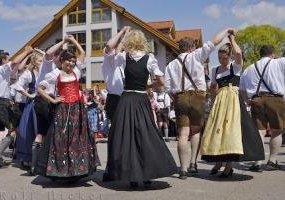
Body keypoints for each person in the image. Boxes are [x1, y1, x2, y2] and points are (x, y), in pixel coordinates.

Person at [106, 29, 177, 187]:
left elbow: (112, 49)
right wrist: (147, 84)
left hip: (126, 99)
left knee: (126, 137)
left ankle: (131, 175)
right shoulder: (149, 58)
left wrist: (123, 37)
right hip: (141, 98)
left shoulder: (124, 57)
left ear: (129, 42)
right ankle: (146, 174)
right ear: (142, 42)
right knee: (145, 134)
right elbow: (162, 82)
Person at [165, 28, 235, 179]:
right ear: (191, 48)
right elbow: (214, 42)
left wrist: (176, 98)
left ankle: (182, 170)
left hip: (180, 97)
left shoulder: (170, 65)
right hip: (197, 97)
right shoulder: (196, 56)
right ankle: (193, 164)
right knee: (196, 131)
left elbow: (168, 88)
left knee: (183, 133)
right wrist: (226, 31)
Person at [200, 34, 264, 177]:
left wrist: (232, 39)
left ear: (230, 57)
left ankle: (228, 166)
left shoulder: (235, 67)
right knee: (216, 132)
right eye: (220, 58)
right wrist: (212, 97)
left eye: (225, 58)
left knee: (230, 133)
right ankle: (218, 161)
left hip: (233, 102)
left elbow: (239, 53)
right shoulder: (215, 70)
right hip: (219, 102)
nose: (222, 60)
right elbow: (213, 88)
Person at [36, 49, 99, 181]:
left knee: (78, 139)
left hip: (78, 109)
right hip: (63, 110)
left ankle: (77, 170)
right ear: (62, 60)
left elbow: (83, 53)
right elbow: (40, 89)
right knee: (62, 139)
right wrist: (53, 100)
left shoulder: (76, 71)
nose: (71, 63)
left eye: (73, 61)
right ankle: (60, 171)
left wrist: (74, 42)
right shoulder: (54, 74)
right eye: (69, 60)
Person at [240, 45, 285, 172]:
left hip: (256, 100)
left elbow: (242, 89)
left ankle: (257, 161)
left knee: (259, 131)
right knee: (276, 131)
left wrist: (247, 100)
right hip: (275, 99)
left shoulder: (249, 69)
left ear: (260, 54)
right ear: (272, 54)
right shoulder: (279, 62)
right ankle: (272, 160)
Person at [0, 46, 33, 168]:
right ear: (3, 60)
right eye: (7, 59)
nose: (9, 62)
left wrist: (27, 56)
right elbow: (14, 62)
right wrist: (26, 51)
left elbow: (17, 67)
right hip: (1, 103)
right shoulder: (3, 68)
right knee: (13, 130)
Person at [101, 26, 129, 182]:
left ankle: (126, 166)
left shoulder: (123, 60)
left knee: (128, 135)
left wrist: (126, 39)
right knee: (114, 136)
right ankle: (110, 168)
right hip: (115, 99)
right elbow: (110, 46)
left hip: (128, 98)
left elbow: (120, 47)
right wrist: (123, 32)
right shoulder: (110, 60)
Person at [12, 49, 44, 174]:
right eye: (40, 60)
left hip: (43, 103)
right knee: (31, 131)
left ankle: (39, 160)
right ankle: (29, 160)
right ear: (35, 62)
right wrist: (28, 95)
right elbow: (17, 85)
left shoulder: (44, 71)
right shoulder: (29, 73)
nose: (42, 62)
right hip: (32, 105)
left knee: (41, 132)